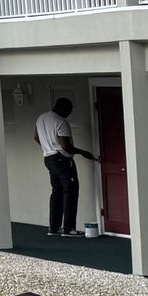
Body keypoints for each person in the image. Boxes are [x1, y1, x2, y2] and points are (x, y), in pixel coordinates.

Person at [34, 97, 96, 237]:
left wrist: (48, 147)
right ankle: (69, 229)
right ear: (61, 107)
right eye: (69, 110)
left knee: (56, 192)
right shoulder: (61, 122)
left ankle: (54, 228)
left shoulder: (41, 118)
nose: (69, 113)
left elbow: (36, 137)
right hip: (62, 160)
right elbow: (66, 147)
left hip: (48, 158)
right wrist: (84, 152)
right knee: (70, 191)